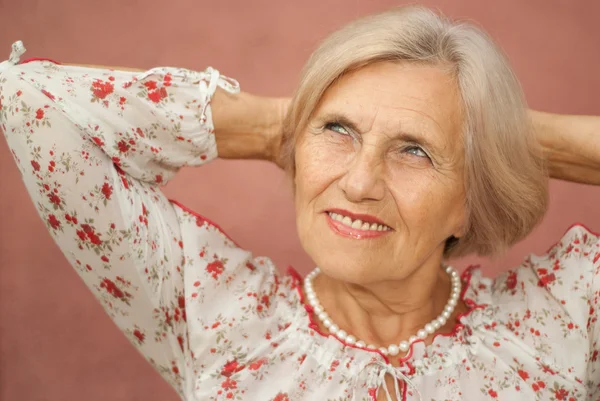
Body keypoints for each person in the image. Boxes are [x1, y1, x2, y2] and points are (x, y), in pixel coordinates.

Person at [0, 6, 598, 401]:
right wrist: (275, 127)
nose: (360, 182)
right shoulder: (216, 316)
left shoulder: (561, 324)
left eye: (413, 150)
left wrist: (501, 137)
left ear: (471, 200)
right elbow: (29, 101)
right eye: (337, 131)